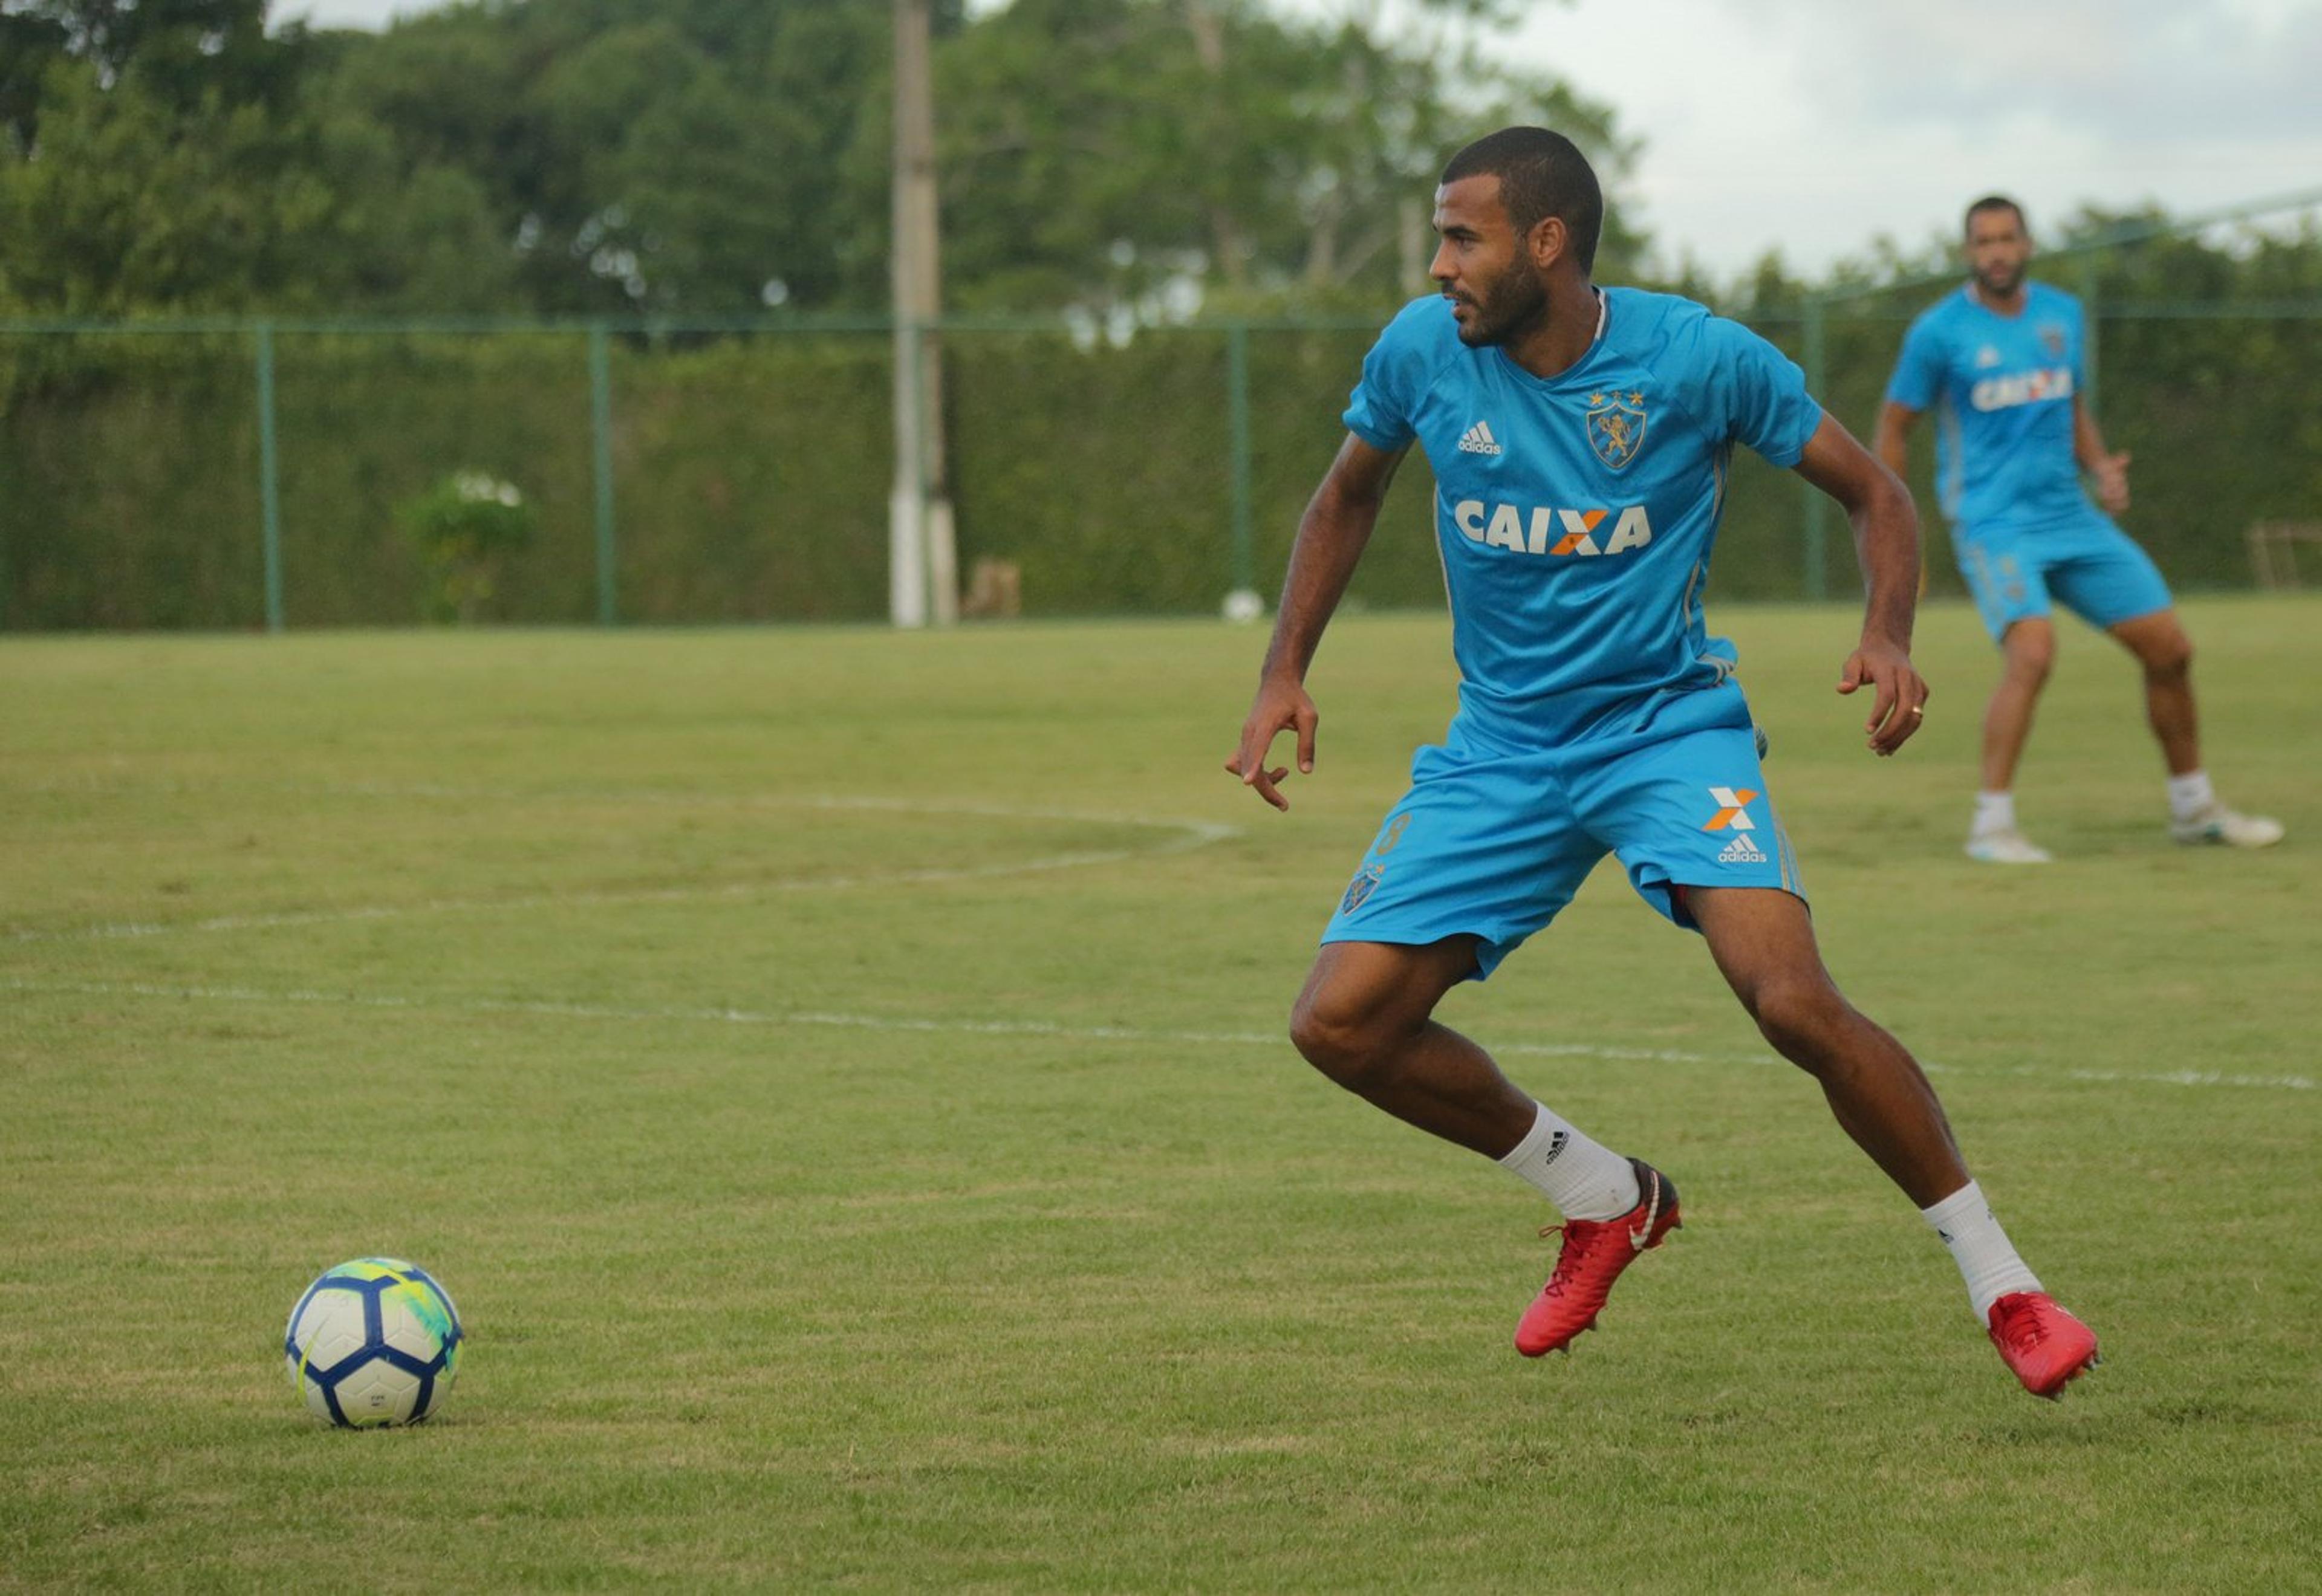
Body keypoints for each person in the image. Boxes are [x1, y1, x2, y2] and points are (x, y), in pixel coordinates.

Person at [1226, 128, 2098, 1398]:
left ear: (1547, 244)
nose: (1438, 263)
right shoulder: (1422, 351)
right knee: (1341, 1026)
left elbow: (1878, 495)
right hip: (1502, 751)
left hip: (1666, 731)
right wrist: (1282, 671)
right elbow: (1345, 495)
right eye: (1438, 236)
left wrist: (1888, 632)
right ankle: (1603, 1195)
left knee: (1793, 1001)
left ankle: (2005, 1284)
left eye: (1461, 237)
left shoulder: (1698, 358)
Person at [1875, 195, 2283, 863]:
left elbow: (2072, 406)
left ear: (2029, 244)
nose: (1997, 252)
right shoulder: (1938, 332)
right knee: (2032, 653)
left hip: (2071, 518)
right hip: (1994, 522)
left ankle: (2194, 809)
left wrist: (2100, 467)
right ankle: (1992, 826)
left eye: (2008, 239)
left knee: (2171, 649)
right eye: (1984, 242)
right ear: (1968, 253)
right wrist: (1895, 520)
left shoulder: (2062, 315)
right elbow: (1895, 426)